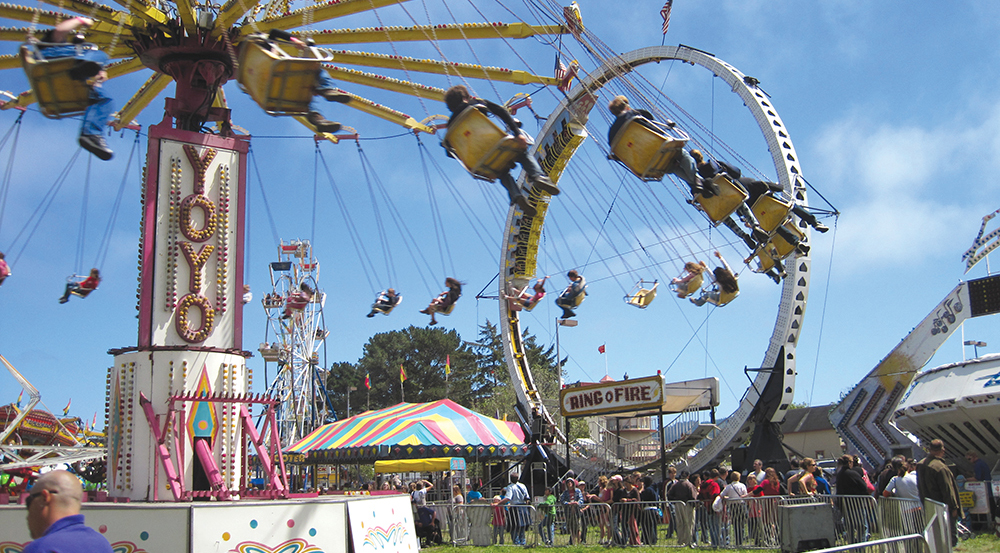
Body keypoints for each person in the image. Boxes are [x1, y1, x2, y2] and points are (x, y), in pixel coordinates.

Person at [443, 85, 559, 217]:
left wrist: (468, 162)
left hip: (479, 157)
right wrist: (517, 133)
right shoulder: (476, 103)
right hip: (495, 143)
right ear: (466, 97)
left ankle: (515, 194)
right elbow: (501, 112)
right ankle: (538, 176)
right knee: (522, 153)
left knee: (501, 171)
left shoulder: (451, 125)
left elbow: (448, 151)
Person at [606, 96, 714, 197]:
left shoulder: (611, 135)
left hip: (646, 163)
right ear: (626, 106)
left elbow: (619, 154)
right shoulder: (636, 114)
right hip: (659, 148)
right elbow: (654, 128)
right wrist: (668, 127)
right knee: (682, 153)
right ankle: (697, 181)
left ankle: (698, 184)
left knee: (671, 167)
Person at [254, 29, 352, 132]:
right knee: (317, 71)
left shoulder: (249, 60)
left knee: (300, 99)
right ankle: (326, 90)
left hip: (269, 86)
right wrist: (295, 41)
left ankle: (317, 119)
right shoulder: (263, 44)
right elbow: (274, 32)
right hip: (277, 72)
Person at [23, 469, 113, 553]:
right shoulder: (102, 545)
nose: (27, 516)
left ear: (44, 498)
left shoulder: (42, 548)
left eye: (29, 501)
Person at [917, 439, 961, 546]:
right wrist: (954, 507)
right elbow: (947, 490)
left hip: (929, 505)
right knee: (949, 538)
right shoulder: (940, 467)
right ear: (942, 450)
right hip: (943, 507)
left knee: (935, 537)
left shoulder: (920, 465)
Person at [668, 473, 698, 546]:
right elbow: (693, 496)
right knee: (689, 523)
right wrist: (694, 505)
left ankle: (681, 540)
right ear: (688, 476)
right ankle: (688, 541)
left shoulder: (675, 485)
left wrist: (675, 501)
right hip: (688, 505)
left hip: (678, 505)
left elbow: (669, 494)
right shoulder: (689, 484)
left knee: (680, 523)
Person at [499, 473, 529, 545]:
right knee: (522, 525)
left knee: (513, 525)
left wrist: (498, 503)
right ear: (518, 478)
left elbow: (508, 498)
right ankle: (522, 542)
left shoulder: (510, 487)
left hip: (515, 508)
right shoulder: (523, 486)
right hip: (523, 507)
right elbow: (527, 498)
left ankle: (516, 542)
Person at [561, 478, 584, 544]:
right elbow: (562, 501)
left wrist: (577, 503)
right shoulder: (565, 492)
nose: (569, 483)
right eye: (568, 482)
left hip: (577, 511)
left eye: (571, 482)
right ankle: (573, 542)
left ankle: (579, 542)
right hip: (568, 512)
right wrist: (568, 503)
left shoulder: (577, 491)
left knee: (578, 527)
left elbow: (581, 499)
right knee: (571, 527)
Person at [638, 476, 659, 545]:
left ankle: (648, 540)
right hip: (654, 509)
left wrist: (641, 491)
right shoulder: (655, 489)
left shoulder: (648, 490)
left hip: (648, 509)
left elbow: (643, 497)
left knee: (647, 525)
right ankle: (653, 539)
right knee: (653, 525)